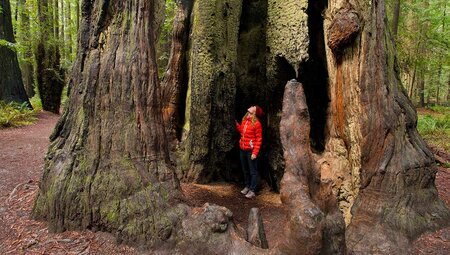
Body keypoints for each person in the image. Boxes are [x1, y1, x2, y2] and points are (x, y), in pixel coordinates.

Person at [235, 105, 263, 199]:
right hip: (242, 149)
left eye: (253, 107)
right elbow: (242, 132)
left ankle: (253, 190)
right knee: (245, 169)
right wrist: (236, 124)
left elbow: (259, 139)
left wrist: (255, 153)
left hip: (250, 151)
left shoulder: (257, 124)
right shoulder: (245, 120)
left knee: (253, 171)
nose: (251, 107)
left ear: (255, 113)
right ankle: (247, 186)